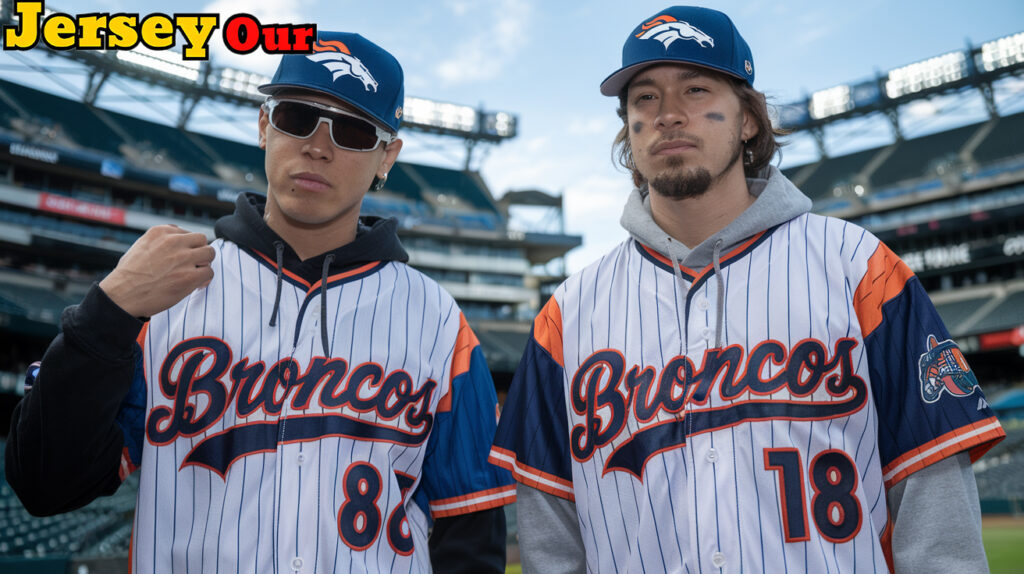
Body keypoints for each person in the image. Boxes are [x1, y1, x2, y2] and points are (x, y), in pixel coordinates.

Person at [490, 6, 1004, 573]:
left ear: (748, 120)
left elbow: (935, 508)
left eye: (695, 88)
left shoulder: (860, 268)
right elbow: (551, 539)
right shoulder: (566, 315)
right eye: (646, 98)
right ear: (628, 128)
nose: (668, 115)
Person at [6, 31, 514, 573]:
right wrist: (106, 314)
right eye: (298, 117)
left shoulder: (438, 322)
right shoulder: (162, 293)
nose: (318, 146)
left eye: (353, 130)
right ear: (264, 125)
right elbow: (45, 483)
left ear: (387, 156)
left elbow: (470, 530)